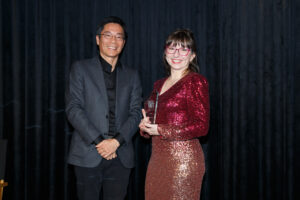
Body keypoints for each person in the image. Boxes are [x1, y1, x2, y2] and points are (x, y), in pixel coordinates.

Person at [65, 16, 142, 200]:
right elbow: (73, 109)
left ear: (124, 42)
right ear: (98, 39)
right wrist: (101, 142)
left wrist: (116, 142)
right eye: (108, 35)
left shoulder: (132, 75)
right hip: (88, 153)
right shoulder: (80, 68)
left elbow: (136, 112)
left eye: (119, 37)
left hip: (121, 155)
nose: (113, 41)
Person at [139, 29, 210, 200]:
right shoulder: (158, 84)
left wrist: (161, 130)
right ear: (165, 52)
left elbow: (201, 126)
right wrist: (145, 127)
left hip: (183, 163)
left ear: (192, 56)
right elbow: (152, 119)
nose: (177, 54)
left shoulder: (195, 82)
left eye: (183, 49)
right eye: (172, 48)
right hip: (157, 160)